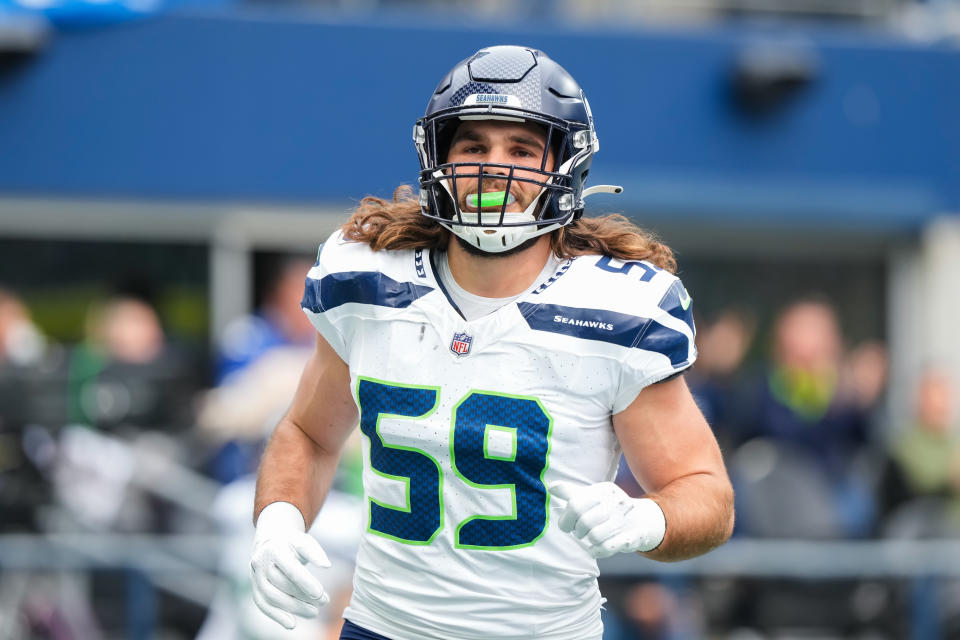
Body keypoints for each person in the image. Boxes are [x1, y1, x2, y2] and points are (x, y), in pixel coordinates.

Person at [250, 45, 734, 640]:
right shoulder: (369, 282)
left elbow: (707, 495)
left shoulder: (616, 310)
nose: (493, 167)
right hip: (382, 627)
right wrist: (277, 520)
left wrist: (649, 518)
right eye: (473, 145)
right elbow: (307, 433)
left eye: (521, 149)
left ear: (564, 167)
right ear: (438, 156)